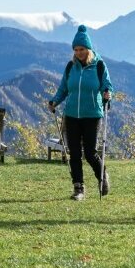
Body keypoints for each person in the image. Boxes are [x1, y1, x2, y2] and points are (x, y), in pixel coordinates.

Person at [48, 25, 113, 200]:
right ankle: (79, 189)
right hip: (71, 115)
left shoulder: (99, 66)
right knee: (74, 152)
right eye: (76, 50)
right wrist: (55, 101)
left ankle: (102, 176)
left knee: (90, 152)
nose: (78, 52)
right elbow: (63, 88)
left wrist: (107, 92)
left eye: (81, 49)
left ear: (88, 49)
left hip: (92, 114)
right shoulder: (71, 67)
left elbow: (107, 84)